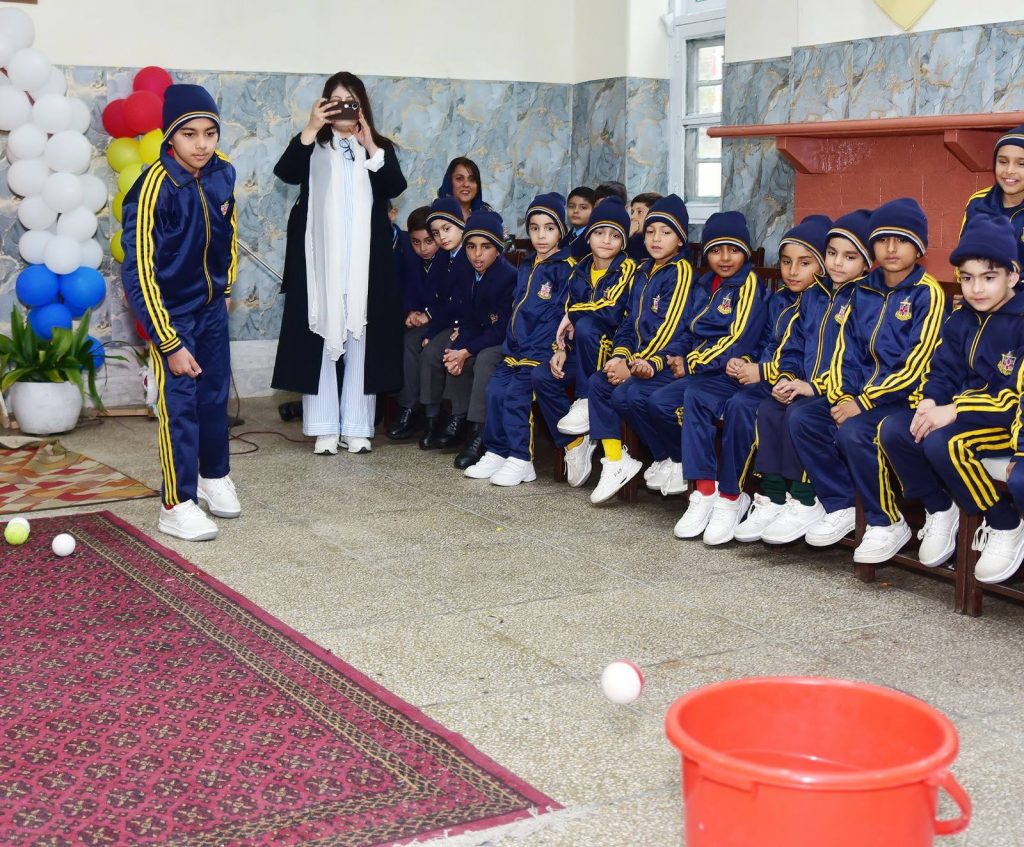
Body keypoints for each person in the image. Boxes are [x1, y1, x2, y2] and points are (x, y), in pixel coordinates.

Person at [788, 198, 947, 564]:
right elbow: (845, 351)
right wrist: (839, 394)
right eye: (883, 240)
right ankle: (840, 502)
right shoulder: (863, 289)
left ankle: (886, 521)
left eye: (902, 240)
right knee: (803, 416)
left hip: (906, 399)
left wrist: (862, 402)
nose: (891, 249)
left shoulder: (927, 293)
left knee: (855, 431)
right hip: (860, 394)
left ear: (919, 248)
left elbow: (916, 364)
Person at [121, 83, 239, 542]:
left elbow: (229, 233)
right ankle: (176, 504)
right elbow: (139, 272)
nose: (202, 144)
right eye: (190, 134)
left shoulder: (222, 172)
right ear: (171, 136)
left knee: (213, 396)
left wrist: (224, 286)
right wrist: (168, 342)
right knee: (180, 406)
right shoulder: (153, 188)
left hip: (210, 309)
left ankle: (214, 477)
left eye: (210, 133)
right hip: (171, 314)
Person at [880, 213, 1024, 583]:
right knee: (896, 429)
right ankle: (940, 508)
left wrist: (955, 409)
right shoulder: (962, 319)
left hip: (1006, 421)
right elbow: (943, 369)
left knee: (945, 444)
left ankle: (1004, 523)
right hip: (962, 412)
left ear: (1013, 276)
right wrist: (931, 401)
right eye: (967, 277)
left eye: (989, 277)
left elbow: (1012, 399)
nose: (977, 288)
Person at [271, 71, 407, 456]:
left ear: (361, 105)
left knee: (361, 334)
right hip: (321, 259)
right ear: (325, 105)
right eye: (336, 101)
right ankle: (324, 427)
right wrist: (311, 128)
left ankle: (359, 427)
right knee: (322, 330)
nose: (344, 108)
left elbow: (394, 186)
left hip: (365, 260)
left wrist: (369, 144)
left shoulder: (377, 147)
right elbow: (286, 173)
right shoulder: (313, 144)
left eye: (351, 101)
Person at [674, 216, 820, 544]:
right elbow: (766, 341)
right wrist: (746, 363)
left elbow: (811, 356)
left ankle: (732, 495)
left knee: (742, 406)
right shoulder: (780, 299)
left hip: (796, 385)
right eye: (786, 262)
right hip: (764, 377)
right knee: (697, 394)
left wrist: (763, 371)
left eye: (804, 263)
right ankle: (708, 491)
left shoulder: (820, 303)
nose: (792, 271)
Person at [739, 210, 872, 544]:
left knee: (799, 414)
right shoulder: (814, 296)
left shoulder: (866, 299)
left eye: (849, 257)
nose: (837, 263)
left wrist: (814, 387)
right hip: (807, 385)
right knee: (770, 407)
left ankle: (806, 498)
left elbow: (858, 360)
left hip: (844, 391)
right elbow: (794, 346)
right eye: (832, 254)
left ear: (867, 263)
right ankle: (774, 497)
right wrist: (786, 378)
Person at [644, 211, 767, 501]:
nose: (724, 258)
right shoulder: (704, 284)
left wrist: (691, 363)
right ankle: (687, 466)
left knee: (694, 398)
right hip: (703, 369)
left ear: (746, 252)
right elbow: (690, 329)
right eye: (715, 250)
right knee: (657, 402)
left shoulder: (748, 284)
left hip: (730, 373)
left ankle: (706, 488)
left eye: (733, 250)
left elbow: (738, 339)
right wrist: (677, 355)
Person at [585, 194, 695, 504]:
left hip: (665, 361)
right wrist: (620, 356)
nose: (656, 239)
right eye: (650, 231)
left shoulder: (681, 272)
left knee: (628, 395)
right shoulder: (642, 271)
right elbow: (628, 322)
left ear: (680, 239)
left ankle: (673, 457)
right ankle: (617, 461)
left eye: (666, 232)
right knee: (597, 382)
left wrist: (635, 364)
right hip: (639, 361)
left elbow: (671, 328)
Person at [463, 192, 575, 486]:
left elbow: (561, 316)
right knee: (494, 392)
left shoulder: (566, 267)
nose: (541, 235)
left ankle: (521, 459)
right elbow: (517, 308)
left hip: (540, 352)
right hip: (514, 348)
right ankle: (497, 451)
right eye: (534, 228)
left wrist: (550, 348)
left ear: (561, 231)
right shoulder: (527, 264)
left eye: (549, 228)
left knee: (516, 397)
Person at [534, 197, 635, 486]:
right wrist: (560, 350)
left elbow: (611, 309)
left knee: (588, 326)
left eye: (615, 235)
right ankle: (574, 443)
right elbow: (566, 315)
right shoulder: (580, 269)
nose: (606, 240)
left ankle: (586, 400)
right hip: (581, 351)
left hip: (612, 351)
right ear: (588, 236)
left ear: (623, 242)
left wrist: (574, 314)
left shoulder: (627, 267)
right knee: (541, 376)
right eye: (600, 232)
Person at [437, 210, 518, 469]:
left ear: (498, 249)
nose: (477, 254)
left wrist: (468, 350)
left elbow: (501, 327)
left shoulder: (508, 276)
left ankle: (479, 430)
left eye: (486, 247)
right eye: (471, 246)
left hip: (505, 339)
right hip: (482, 333)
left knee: (483, 360)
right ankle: (459, 415)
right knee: (454, 349)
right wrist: (460, 350)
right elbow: (469, 318)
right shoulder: (466, 272)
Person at [418, 198, 472, 449]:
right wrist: (432, 331)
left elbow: (477, 298)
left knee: (452, 353)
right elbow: (440, 302)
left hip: (470, 324)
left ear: (461, 225)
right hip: (450, 322)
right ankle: (432, 417)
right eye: (436, 233)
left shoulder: (472, 254)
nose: (442, 237)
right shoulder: (442, 258)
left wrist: (464, 328)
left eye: (447, 229)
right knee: (429, 352)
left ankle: (458, 418)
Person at [388, 205, 439, 440]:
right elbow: (407, 289)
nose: (423, 248)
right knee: (398, 336)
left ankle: (412, 409)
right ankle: (403, 405)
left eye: (429, 241)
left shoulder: (448, 258)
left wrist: (427, 314)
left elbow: (451, 298)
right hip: (421, 317)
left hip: (444, 319)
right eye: (416, 242)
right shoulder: (411, 257)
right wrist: (410, 312)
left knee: (412, 342)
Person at [961, 125, 1024, 270]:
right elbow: (964, 258)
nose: (1009, 170)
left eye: (1021, 164)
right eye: (1003, 162)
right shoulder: (978, 202)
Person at [437, 156, 488, 221]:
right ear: (449, 182)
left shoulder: (488, 216)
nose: (466, 184)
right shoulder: (434, 215)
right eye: (459, 178)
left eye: (472, 179)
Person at [565, 185, 595, 258]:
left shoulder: (593, 241)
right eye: (571, 206)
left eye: (583, 207)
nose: (575, 211)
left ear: (594, 210)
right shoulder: (563, 237)